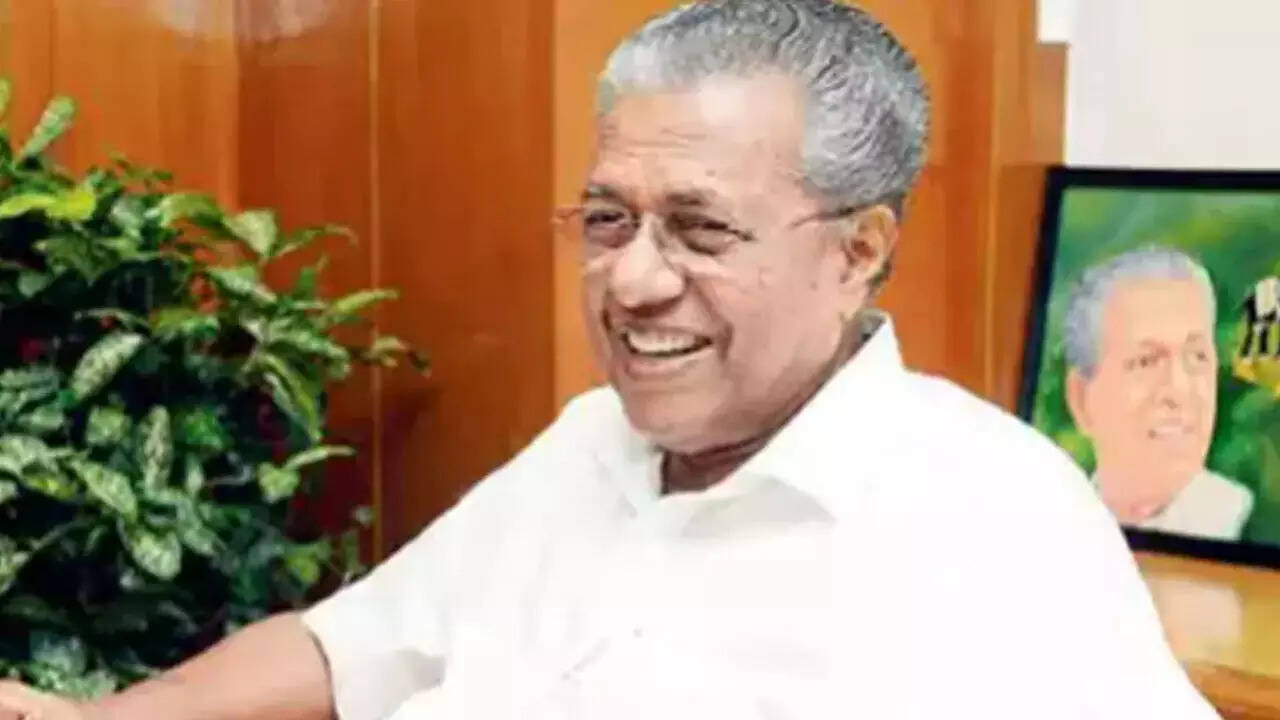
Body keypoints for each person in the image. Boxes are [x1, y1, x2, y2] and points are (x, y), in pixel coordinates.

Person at [1, 1, 1218, 718]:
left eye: (699, 229)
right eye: (604, 219)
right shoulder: (594, 443)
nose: (631, 281)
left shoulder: (987, 516)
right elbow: (352, 643)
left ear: (857, 251)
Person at [1063, 247, 1253, 541]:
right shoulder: (1054, 525)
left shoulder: (1247, 522)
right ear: (1081, 399)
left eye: (1197, 356)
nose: (1178, 390)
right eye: (1146, 361)